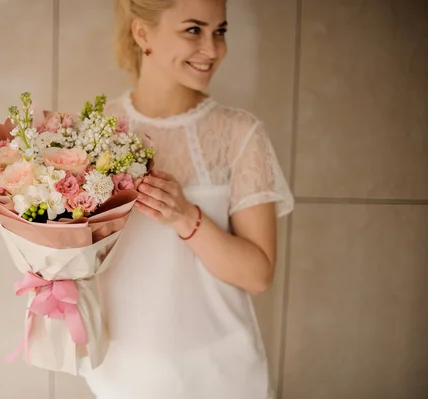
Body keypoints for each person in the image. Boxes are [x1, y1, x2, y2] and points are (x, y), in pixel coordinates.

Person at [79, 0, 294, 398]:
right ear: (143, 34)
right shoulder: (93, 134)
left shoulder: (240, 134)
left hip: (221, 375)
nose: (212, 50)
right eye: (194, 30)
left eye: (220, 31)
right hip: (123, 373)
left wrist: (185, 217)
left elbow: (258, 274)